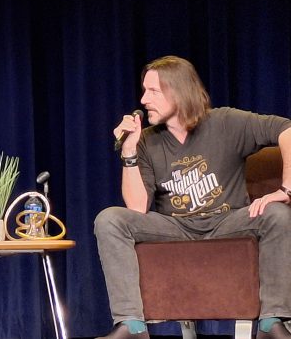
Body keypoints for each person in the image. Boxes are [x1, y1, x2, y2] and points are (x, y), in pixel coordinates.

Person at [94, 56, 291, 339]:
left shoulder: (226, 122)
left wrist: (286, 190)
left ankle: (272, 322)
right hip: (174, 227)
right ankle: (131, 325)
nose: (143, 99)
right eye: (144, 90)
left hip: (227, 221)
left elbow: (286, 129)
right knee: (110, 219)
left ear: (179, 91)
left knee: (278, 215)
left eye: (153, 91)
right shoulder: (148, 140)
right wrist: (129, 152)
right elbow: (137, 207)